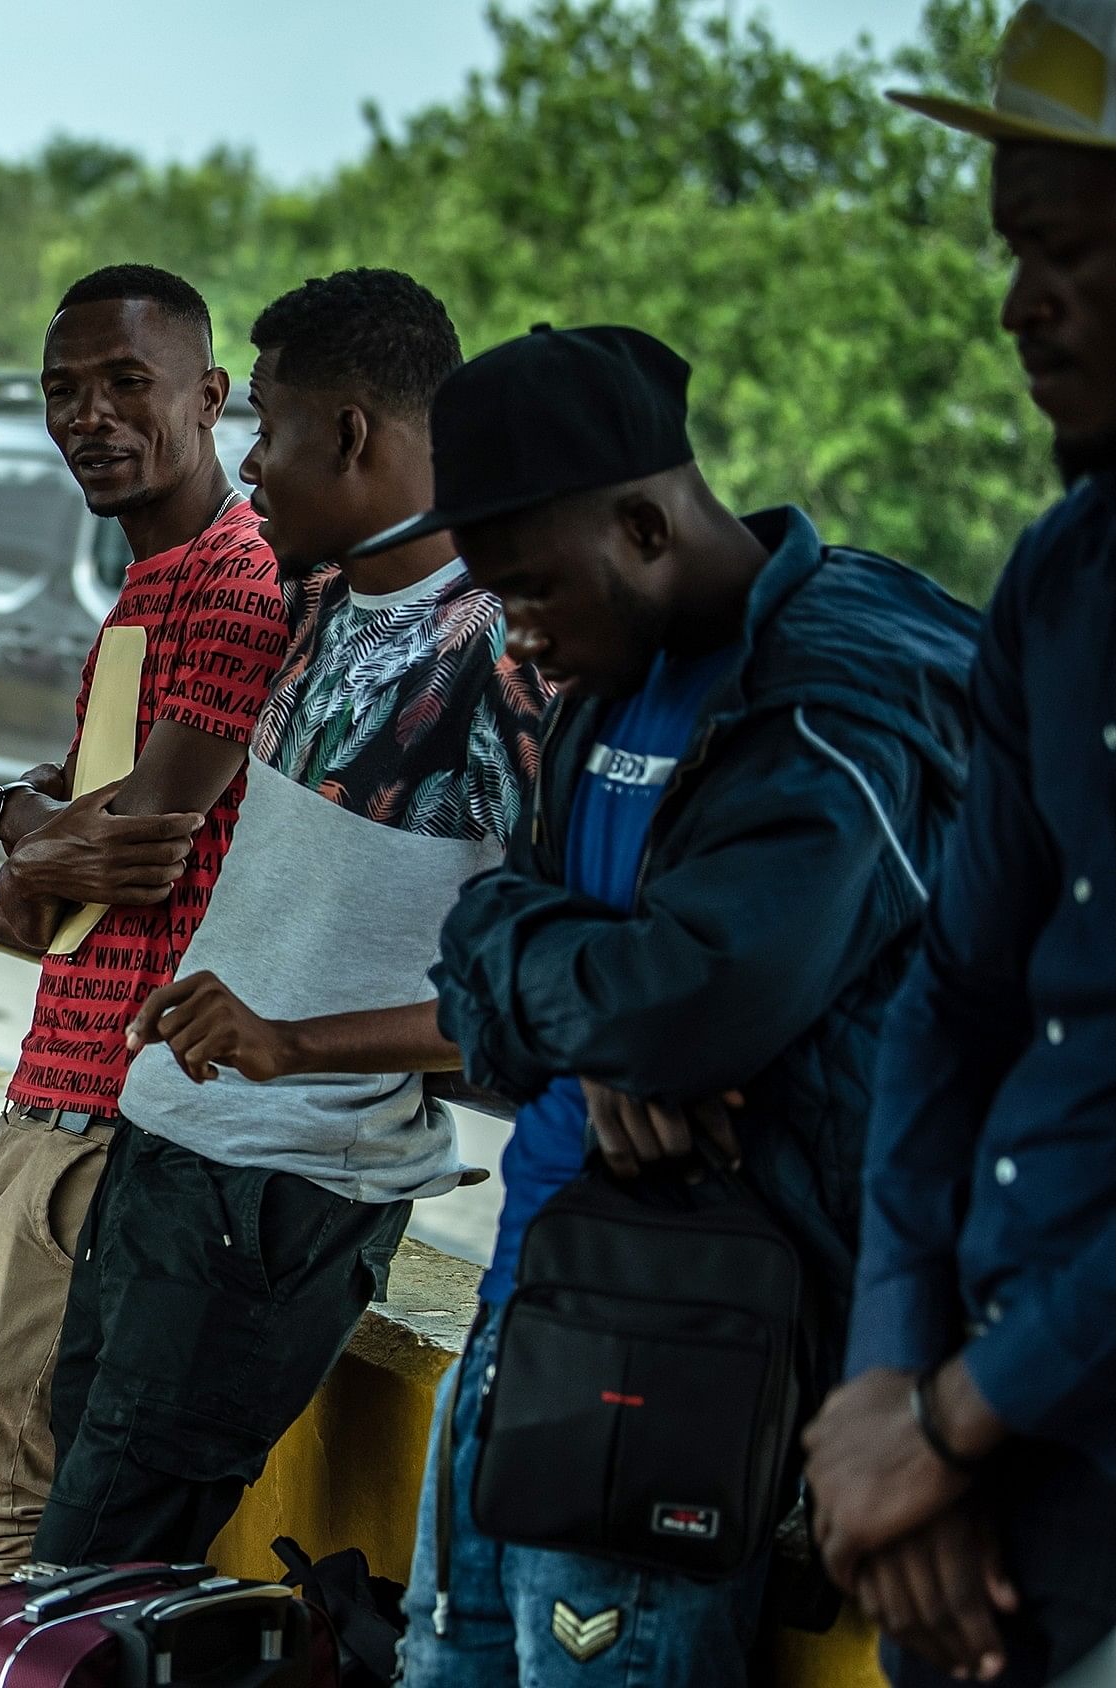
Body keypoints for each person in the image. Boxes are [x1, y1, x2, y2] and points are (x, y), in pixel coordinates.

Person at [398, 323, 976, 1685]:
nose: (521, 645)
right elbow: (491, 921)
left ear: (647, 523)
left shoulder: (841, 690)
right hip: (539, 1282)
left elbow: (691, 997)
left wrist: (620, 1015)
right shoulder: (615, 671)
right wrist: (599, 1029)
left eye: (533, 593)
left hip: (698, 1333)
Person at [41, 268, 545, 1570]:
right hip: (164, 1139)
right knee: (80, 1522)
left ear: (359, 436)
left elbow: (545, 992)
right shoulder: (318, 604)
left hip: (280, 1188)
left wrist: (298, 1042)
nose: (250, 465)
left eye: (269, 425)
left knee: (97, 1569)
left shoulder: (500, 659)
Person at [799, 36, 1116, 1684]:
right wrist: (892, 1371)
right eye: (1016, 250)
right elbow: (957, 995)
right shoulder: (1063, 575)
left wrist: (951, 1412)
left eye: (1073, 253)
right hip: (995, 1449)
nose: (1019, 305)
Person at [0, 265, 288, 1580]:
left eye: (126, 384)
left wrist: (26, 826)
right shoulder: (148, 590)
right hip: (71, 1089)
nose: (88, 416)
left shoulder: (237, 587)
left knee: (11, 1497)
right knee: (6, 1468)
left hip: (107, 1106)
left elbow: (131, 851)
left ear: (211, 398)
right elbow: (73, 850)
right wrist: (34, 816)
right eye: (64, 392)